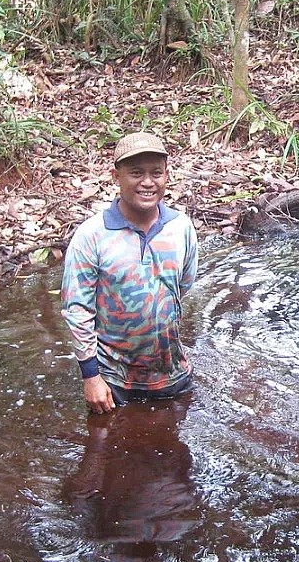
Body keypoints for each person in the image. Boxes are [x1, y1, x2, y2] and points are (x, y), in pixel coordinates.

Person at [62, 131, 199, 413]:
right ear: (116, 177)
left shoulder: (181, 228)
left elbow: (182, 287)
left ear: (166, 176)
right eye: (136, 173)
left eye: (156, 173)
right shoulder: (92, 235)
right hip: (114, 384)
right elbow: (77, 309)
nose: (147, 182)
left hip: (174, 375)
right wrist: (91, 377)